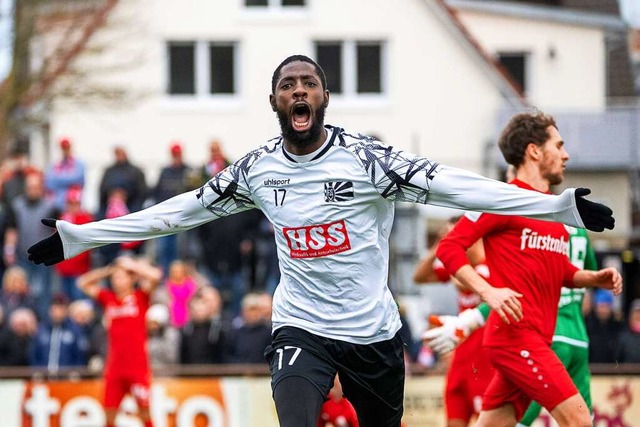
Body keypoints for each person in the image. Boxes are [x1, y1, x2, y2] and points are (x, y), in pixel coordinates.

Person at [28, 55, 615, 427]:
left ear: (324, 97)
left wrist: (558, 205)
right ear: (276, 101)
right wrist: (81, 236)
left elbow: (457, 188)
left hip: (372, 335)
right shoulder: (256, 170)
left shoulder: (368, 160)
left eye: (309, 82)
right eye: (288, 84)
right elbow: (177, 214)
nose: (299, 91)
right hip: (300, 326)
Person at [432, 111, 622, 427]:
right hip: (515, 338)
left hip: (537, 338)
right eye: (558, 146)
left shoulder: (551, 210)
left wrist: (593, 277)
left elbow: (557, 269)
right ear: (534, 151)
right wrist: (488, 291)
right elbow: (449, 247)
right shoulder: (502, 199)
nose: (566, 155)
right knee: (579, 420)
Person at [425, 226, 599, 427]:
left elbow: (513, 293)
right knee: (580, 417)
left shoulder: (534, 227)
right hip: (577, 335)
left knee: (566, 420)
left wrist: (469, 320)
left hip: (541, 338)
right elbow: (586, 274)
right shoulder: (577, 231)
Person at [414, 217, 492, 427]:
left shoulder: (489, 268)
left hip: (484, 364)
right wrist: (439, 246)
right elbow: (419, 277)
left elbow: (462, 282)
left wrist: (451, 247)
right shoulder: (463, 269)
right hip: (460, 364)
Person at [77, 256, 161, 427]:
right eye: (115, 278)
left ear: (131, 279)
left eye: (121, 277)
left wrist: (132, 265)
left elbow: (156, 276)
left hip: (137, 367)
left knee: (145, 413)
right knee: (109, 415)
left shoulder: (140, 297)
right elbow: (82, 283)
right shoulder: (108, 299)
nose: (117, 281)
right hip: (115, 367)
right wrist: (107, 270)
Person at [153, 142, 193, 275]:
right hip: (166, 217)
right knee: (163, 250)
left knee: (181, 251)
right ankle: (166, 279)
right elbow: (157, 192)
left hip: (183, 217)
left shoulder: (189, 171)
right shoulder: (165, 171)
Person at [54, 186, 93, 301]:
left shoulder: (85, 219)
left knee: (78, 298)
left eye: (75, 203)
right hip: (64, 267)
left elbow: (86, 244)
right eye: (70, 203)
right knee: (65, 298)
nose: (72, 206)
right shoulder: (63, 218)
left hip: (79, 268)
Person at [30, 293, 87, 371]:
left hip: (66, 378)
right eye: (55, 308)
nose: (58, 312)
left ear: (66, 310)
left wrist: (75, 373)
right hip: (44, 377)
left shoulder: (74, 331)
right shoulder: (41, 330)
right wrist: (37, 371)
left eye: (61, 308)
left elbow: (80, 355)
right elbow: (34, 354)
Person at [44, 137, 86, 211]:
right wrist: (69, 179)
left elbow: (77, 179)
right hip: (57, 205)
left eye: (67, 148)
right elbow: (49, 183)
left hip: (74, 205)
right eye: (63, 148)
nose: (65, 151)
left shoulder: (79, 164)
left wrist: (57, 178)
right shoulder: (55, 165)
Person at [585, 289, 622, 363]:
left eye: (606, 306)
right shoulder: (588, 326)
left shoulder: (617, 328)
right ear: (596, 307)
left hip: (610, 371)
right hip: (592, 368)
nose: (603, 310)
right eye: (601, 306)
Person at [615, 298, 640, 363]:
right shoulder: (623, 338)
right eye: (636, 313)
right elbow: (617, 359)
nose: (638, 316)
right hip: (627, 372)